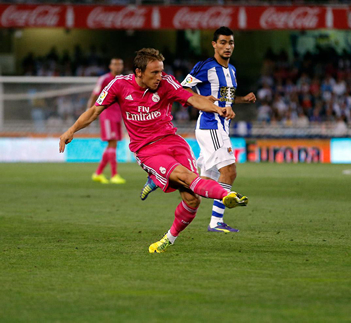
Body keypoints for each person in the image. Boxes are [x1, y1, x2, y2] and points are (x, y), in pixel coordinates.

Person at [59, 48, 248, 253]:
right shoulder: (119, 85)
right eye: (154, 73)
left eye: (161, 71)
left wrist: (218, 108)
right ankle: (227, 195)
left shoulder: (167, 82)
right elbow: (95, 111)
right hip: (147, 150)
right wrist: (71, 130)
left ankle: (168, 238)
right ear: (139, 72)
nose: (160, 77)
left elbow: (193, 98)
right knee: (185, 176)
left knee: (193, 199)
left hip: (174, 143)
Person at [142, 27, 256, 233]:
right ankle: (216, 221)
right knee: (229, 171)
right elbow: (182, 88)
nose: (227, 46)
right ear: (214, 44)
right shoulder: (205, 67)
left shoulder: (232, 70)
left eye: (230, 43)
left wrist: (242, 100)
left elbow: (225, 99)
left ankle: (160, 178)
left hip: (221, 126)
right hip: (210, 124)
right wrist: (203, 100)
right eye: (222, 42)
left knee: (204, 181)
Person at [86, 57, 126, 184]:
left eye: (120, 64)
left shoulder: (123, 80)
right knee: (113, 143)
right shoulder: (104, 79)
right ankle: (114, 175)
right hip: (107, 113)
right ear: (110, 66)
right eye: (115, 64)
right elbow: (94, 95)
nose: (118, 66)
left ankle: (98, 173)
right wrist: (89, 113)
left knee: (112, 144)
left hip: (117, 114)